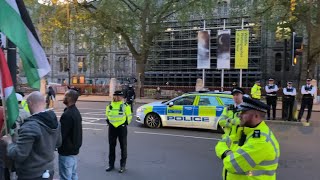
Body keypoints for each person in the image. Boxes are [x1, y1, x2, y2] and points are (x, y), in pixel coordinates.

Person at [215, 97, 280, 180]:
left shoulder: (261, 140)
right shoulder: (245, 130)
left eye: (243, 112)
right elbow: (223, 141)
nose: (239, 115)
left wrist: (225, 152)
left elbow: (232, 165)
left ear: (256, 116)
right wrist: (229, 154)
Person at [2, 91, 61, 180]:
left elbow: (18, 155)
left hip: (31, 174)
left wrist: (9, 143)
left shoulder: (30, 126)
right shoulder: (55, 121)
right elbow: (58, 143)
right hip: (48, 171)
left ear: (30, 103)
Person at [217, 87, 245, 180]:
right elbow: (221, 121)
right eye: (234, 95)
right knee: (227, 164)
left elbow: (241, 123)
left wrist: (229, 121)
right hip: (227, 141)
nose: (235, 97)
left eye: (237, 95)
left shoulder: (245, 109)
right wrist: (233, 122)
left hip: (239, 142)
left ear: (242, 95)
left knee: (237, 166)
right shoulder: (228, 108)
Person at [105, 91, 132, 173]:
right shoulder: (110, 105)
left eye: (120, 96)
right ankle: (111, 165)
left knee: (123, 147)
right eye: (117, 96)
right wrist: (109, 122)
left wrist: (125, 124)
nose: (119, 98)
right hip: (112, 127)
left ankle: (122, 166)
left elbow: (129, 116)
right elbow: (107, 115)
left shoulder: (125, 105)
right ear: (115, 96)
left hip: (121, 127)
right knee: (111, 147)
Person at [58, 90, 82, 180]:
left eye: (65, 96)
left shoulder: (67, 114)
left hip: (66, 151)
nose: (63, 98)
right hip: (73, 150)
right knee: (73, 175)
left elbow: (62, 134)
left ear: (69, 98)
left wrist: (54, 144)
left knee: (65, 177)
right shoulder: (75, 111)